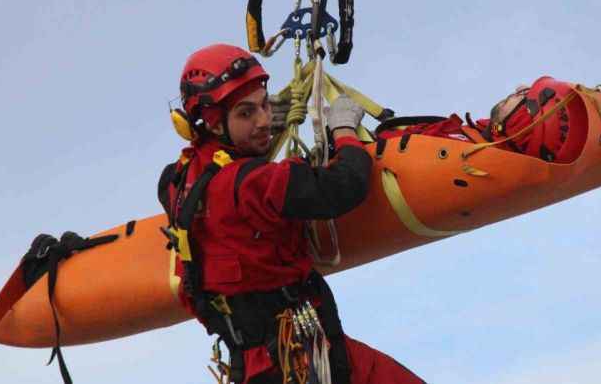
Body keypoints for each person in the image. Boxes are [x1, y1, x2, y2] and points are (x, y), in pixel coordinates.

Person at [158, 44, 425, 384]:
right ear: (212, 123)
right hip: (302, 360)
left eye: (264, 106)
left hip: (255, 364)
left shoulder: (176, 181)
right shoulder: (257, 183)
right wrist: (343, 130)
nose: (264, 120)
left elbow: (224, 191)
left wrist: (253, 137)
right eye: (246, 113)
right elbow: (345, 186)